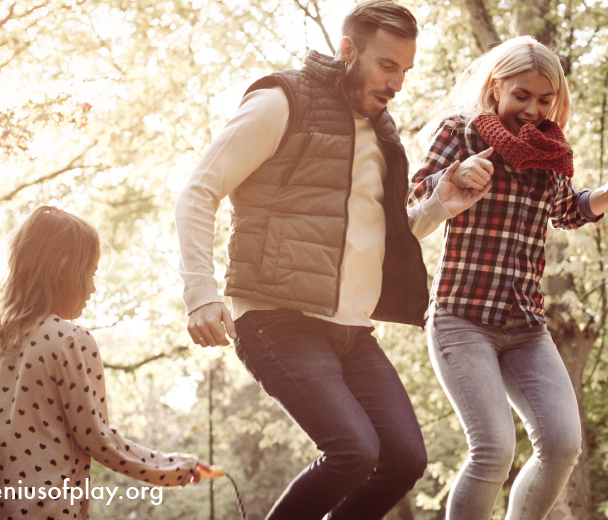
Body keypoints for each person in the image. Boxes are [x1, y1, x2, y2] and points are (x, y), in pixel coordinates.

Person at [174, 1, 484, 518]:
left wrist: (439, 206)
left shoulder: (383, 135)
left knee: (405, 459)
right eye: (387, 65)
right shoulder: (283, 100)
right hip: (279, 319)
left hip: (351, 331)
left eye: (405, 71)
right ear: (347, 50)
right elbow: (198, 191)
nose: (397, 84)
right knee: (354, 452)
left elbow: (377, 234)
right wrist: (200, 292)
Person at [407, 36, 608, 520]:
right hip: (462, 318)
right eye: (521, 96)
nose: (533, 110)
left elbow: (567, 210)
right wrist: (455, 175)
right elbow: (416, 193)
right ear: (496, 89)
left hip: (525, 325)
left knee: (561, 445)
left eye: (544, 99)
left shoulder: (549, 152)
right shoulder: (463, 131)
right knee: (493, 451)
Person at [0, 206, 210, 519]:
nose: (93, 288)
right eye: (91, 273)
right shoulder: (70, 340)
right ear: (64, 269)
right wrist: (175, 468)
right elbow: (99, 439)